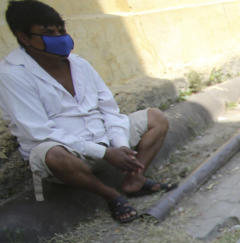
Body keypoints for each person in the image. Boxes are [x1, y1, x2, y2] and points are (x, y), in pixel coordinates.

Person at [0, 0, 174, 223]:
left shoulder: (79, 64)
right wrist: (104, 153)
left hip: (105, 141)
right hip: (70, 155)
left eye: (61, 30)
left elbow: (109, 109)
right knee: (52, 153)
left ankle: (134, 181)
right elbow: (39, 132)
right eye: (48, 33)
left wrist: (120, 145)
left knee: (156, 118)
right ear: (24, 37)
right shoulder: (13, 74)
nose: (60, 37)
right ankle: (111, 195)